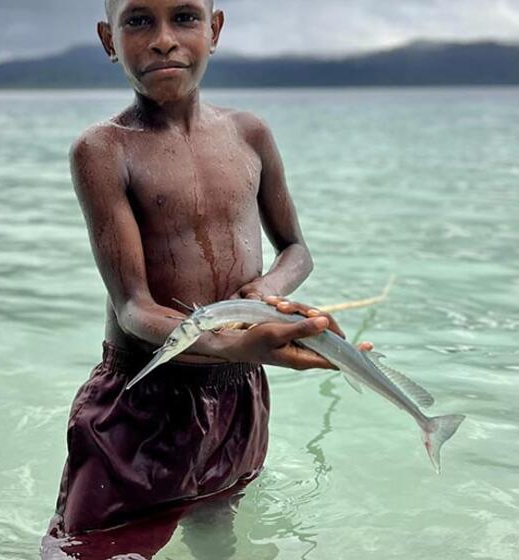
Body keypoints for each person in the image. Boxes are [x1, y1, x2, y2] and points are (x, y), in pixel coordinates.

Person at [44, 0, 372, 554]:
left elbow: (296, 250)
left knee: (216, 532)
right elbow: (134, 308)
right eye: (138, 20)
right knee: (89, 548)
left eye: (186, 17)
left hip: (239, 395)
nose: (164, 39)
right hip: (142, 398)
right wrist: (231, 342)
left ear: (214, 29)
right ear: (107, 40)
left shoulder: (249, 134)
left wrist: (265, 295)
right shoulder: (103, 150)